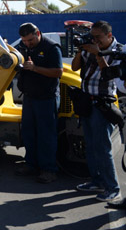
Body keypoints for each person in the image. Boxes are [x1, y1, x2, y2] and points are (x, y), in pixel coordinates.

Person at [72, 20, 123, 203]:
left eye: (98, 37)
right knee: (91, 146)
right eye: (92, 37)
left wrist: (99, 54)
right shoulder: (90, 48)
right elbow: (75, 67)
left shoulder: (119, 51)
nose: (95, 40)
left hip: (103, 104)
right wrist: (80, 49)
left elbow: (111, 75)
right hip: (86, 102)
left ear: (109, 35)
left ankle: (113, 188)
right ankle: (97, 181)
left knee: (103, 148)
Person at [14, 23, 63, 184]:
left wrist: (35, 68)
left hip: (46, 98)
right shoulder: (24, 47)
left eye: (30, 40)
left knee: (46, 135)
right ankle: (31, 164)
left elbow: (58, 72)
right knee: (29, 133)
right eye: (25, 41)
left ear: (38, 33)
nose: (27, 43)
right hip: (29, 97)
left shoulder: (51, 47)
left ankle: (49, 169)